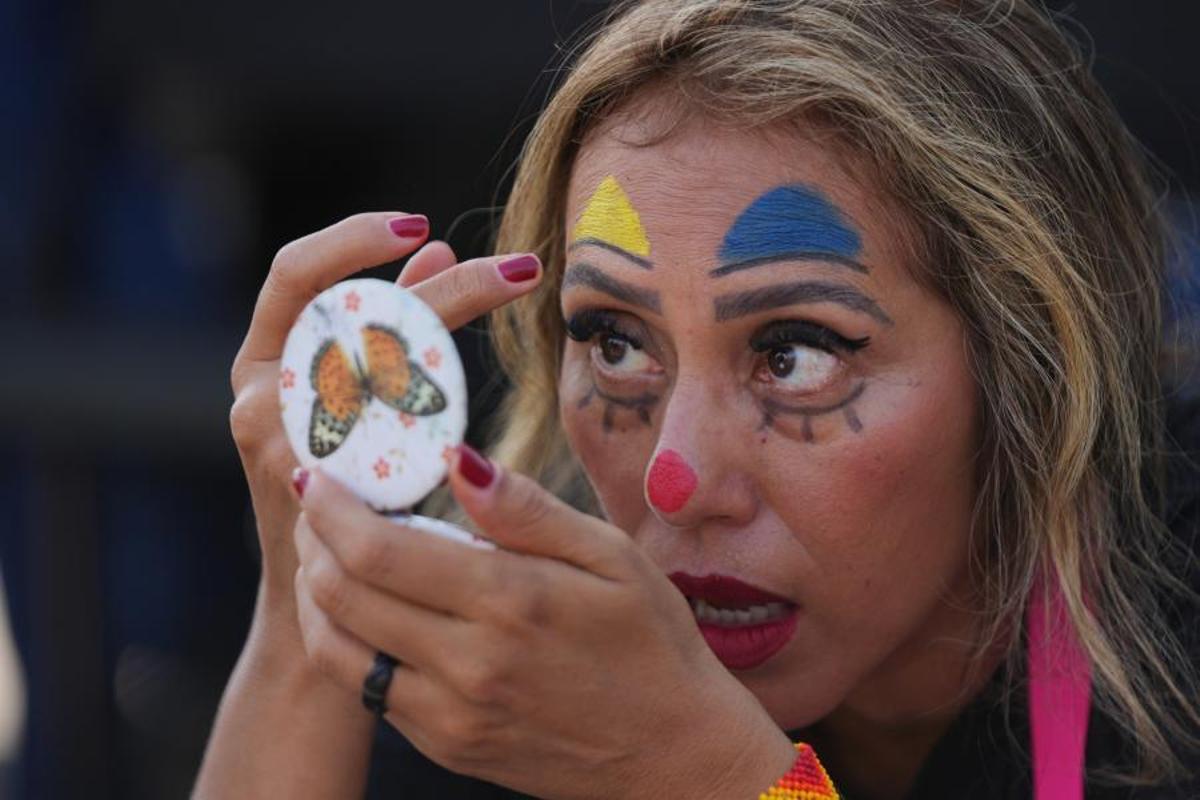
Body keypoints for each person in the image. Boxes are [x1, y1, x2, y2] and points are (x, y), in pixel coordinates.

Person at [195, 1, 1200, 797]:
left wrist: (710, 777)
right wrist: (306, 605)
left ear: (1036, 367)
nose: (677, 481)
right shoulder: (530, 629)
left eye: (795, 353)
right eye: (617, 341)